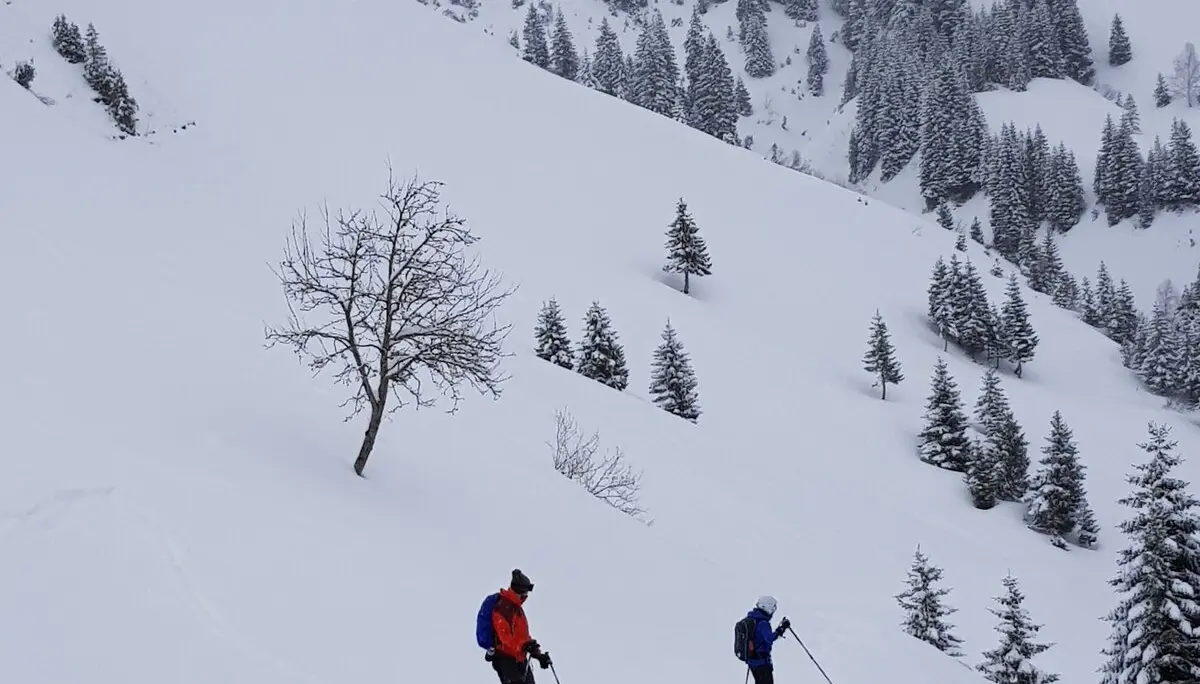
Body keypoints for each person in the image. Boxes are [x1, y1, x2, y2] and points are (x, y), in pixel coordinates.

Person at [489, 569, 552, 684]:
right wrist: (523, 646)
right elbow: (504, 637)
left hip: (520, 660)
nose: (526, 596)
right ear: (519, 591)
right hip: (506, 660)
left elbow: (523, 636)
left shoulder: (516, 608)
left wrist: (538, 655)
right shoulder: (503, 608)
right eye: (525, 592)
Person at [746, 595, 789, 684]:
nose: (773, 611)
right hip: (761, 662)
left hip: (753, 660)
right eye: (772, 608)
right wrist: (781, 629)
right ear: (767, 607)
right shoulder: (762, 623)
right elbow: (769, 638)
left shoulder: (753, 619)